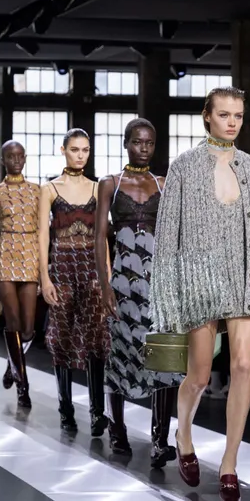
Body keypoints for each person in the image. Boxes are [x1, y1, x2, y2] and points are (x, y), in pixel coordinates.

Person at [153, 86, 250, 501]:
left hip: (243, 275)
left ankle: (229, 463)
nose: (232, 122)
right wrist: (167, 293)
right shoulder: (185, 168)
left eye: (239, 115)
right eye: (224, 114)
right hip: (200, 277)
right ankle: (184, 433)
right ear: (207, 116)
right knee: (200, 375)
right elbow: (168, 235)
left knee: (244, 365)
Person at [94, 118, 183, 461]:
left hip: (159, 283)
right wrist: (104, 287)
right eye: (137, 141)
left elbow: (175, 236)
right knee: (121, 354)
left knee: (164, 355)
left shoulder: (164, 183)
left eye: (149, 142)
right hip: (122, 281)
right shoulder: (110, 184)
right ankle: (118, 431)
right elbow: (100, 237)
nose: (144, 148)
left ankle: (160, 439)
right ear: (126, 143)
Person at [39, 129, 111, 433]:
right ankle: (65, 408)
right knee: (62, 337)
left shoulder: (99, 189)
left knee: (97, 339)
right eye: (74, 149)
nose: (80, 155)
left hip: (92, 270)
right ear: (63, 150)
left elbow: (102, 236)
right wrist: (44, 277)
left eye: (85, 150)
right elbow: (43, 234)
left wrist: (107, 274)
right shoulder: (50, 189)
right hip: (63, 269)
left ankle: (97, 413)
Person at [0, 141, 40, 409]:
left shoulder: (37, 191)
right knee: (13, 322)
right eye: (10, 156)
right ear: (3, 160)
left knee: (29, 328)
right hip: (4, 257)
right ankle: (22, 386)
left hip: (30, 256)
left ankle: (12, 363)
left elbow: (43, 232)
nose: (16, 160)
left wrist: (45, 266)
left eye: (20, 156)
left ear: (25, 158)